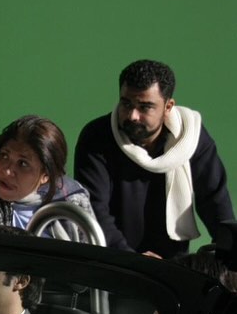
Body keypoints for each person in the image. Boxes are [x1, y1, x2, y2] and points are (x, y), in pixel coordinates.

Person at [74, 59, 234, 259]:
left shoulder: (190, 137)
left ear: (168, 106)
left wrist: (230, 255)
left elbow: (215, 202)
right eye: (126, 103)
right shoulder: (96, 137)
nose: (133, 115)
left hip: (174, 265)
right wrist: (135, 261)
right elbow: (95, 210)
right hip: (114, 263)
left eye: (145, 107)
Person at [0, 115, 94, 240]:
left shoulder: (73, 200)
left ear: (46, 175)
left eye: (23, 164)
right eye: (4, 155)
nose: (7, 171)